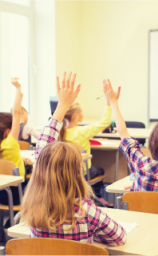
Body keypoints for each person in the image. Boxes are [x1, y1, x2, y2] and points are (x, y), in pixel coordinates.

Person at [21, 72, 127, 246]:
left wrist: (62, 105)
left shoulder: (34, 209)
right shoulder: (85, 211)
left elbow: (42, 150)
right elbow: (119, 238)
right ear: (77, 174)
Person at [104, 79, 158, 195]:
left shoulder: (142, 166)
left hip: (140, 213)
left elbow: (123, 132)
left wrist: (113, 102)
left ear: (152, 145)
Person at [59, 98, 113, 207]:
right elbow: (105, 122)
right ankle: (98, 197)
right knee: (100, 169)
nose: (83, 114)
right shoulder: (83, 131)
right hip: (82, 172)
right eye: (81, 111)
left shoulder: (60, 133)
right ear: (75, 115)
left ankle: (94, 197)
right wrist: (108, 102)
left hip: (66, 172)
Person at [0, 78, 28, 206]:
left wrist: (21, 161)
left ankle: (12, 220)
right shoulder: (10, 142)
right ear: (8, 131)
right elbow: (16, 113)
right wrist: (18, 88)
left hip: (1, 195)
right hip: (17, 195)